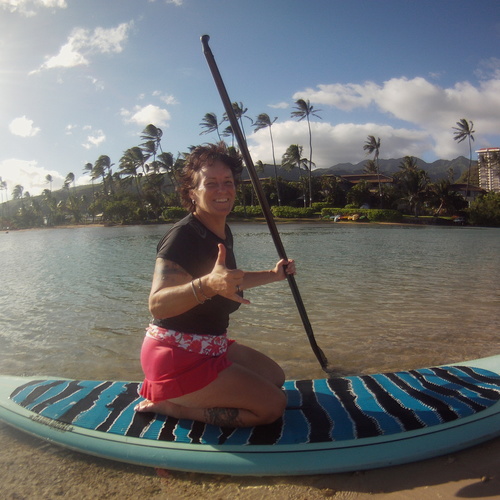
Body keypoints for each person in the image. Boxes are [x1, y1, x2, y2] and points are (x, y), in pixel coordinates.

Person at [135, 142, 296, 428]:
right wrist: (207, 284)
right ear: (192, 192)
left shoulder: (221, 229)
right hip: (176, 356)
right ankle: (173, 406)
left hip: (211, 346)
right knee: (273, 406)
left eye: (228, 182)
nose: (222, 190)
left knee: (275, 377)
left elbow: (228, 281)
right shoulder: (182, 237)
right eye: (211, 183)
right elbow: (157, 304)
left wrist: (274, 274)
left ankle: (198, 393)